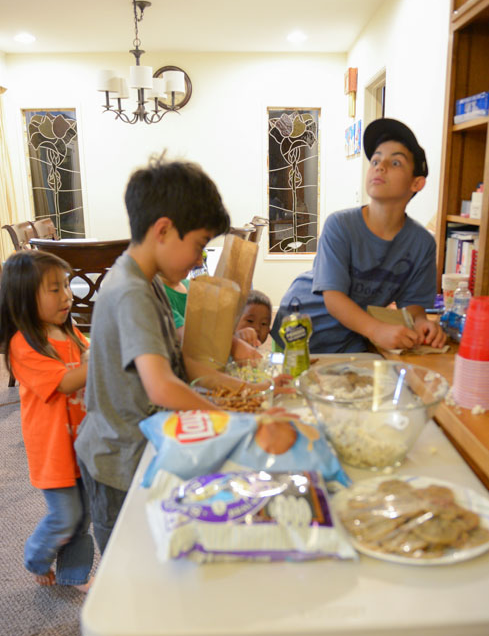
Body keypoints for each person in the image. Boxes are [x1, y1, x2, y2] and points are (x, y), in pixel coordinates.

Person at [75, 157, 245, 553]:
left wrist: (250, 389)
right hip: (118, 459)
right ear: (164, 230)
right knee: (129, 559)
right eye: (200, 244)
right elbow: (162, 386)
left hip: (140, 445)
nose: (199, 259)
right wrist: (231, 419)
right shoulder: (131, 291)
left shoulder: (146, 280)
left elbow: (182, 356)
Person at [271, 118, 446, 354]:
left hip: (351, 334)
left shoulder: (421, 243)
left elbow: (413, 306)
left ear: (417, 183)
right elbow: (334, 298)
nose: (380, 166)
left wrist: (422, 323)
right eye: (376, 159)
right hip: (299, 324)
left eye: (395, 162)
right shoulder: (340, 225)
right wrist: (377, 331)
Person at [0, 251, 94, 591]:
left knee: (83, 516)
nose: (67, 295)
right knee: (65, 517)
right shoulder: (22, 345)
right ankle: (35, 557)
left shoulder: (69, 332)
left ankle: (72, 574)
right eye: (55, 289)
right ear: (24, 297)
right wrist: (103, 359)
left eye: (67, 286)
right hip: (53, 448)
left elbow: (87, 356)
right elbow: (68, 381)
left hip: (82, 443)